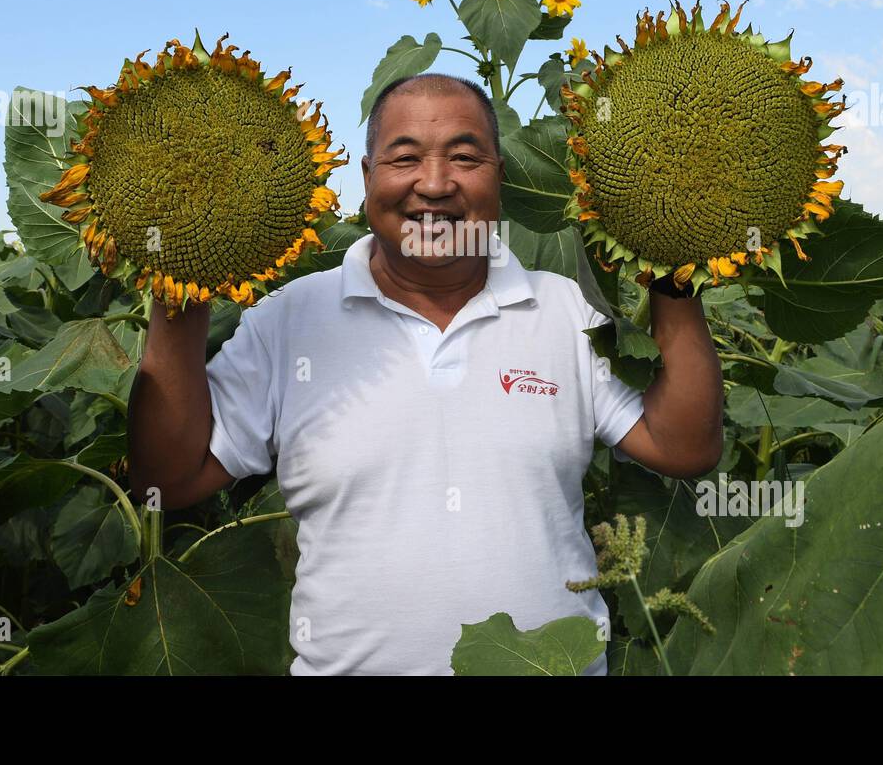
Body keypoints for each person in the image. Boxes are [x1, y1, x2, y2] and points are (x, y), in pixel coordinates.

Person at [127, 72, 723, 674]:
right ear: (367, 180)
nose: (434, 184)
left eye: (465, 157)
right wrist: (181, 278)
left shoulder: (563, 310)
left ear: (499, 177)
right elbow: (171, 482)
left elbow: (684, 445)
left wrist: (672, 258)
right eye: (404, 157)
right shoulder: (288, 321)